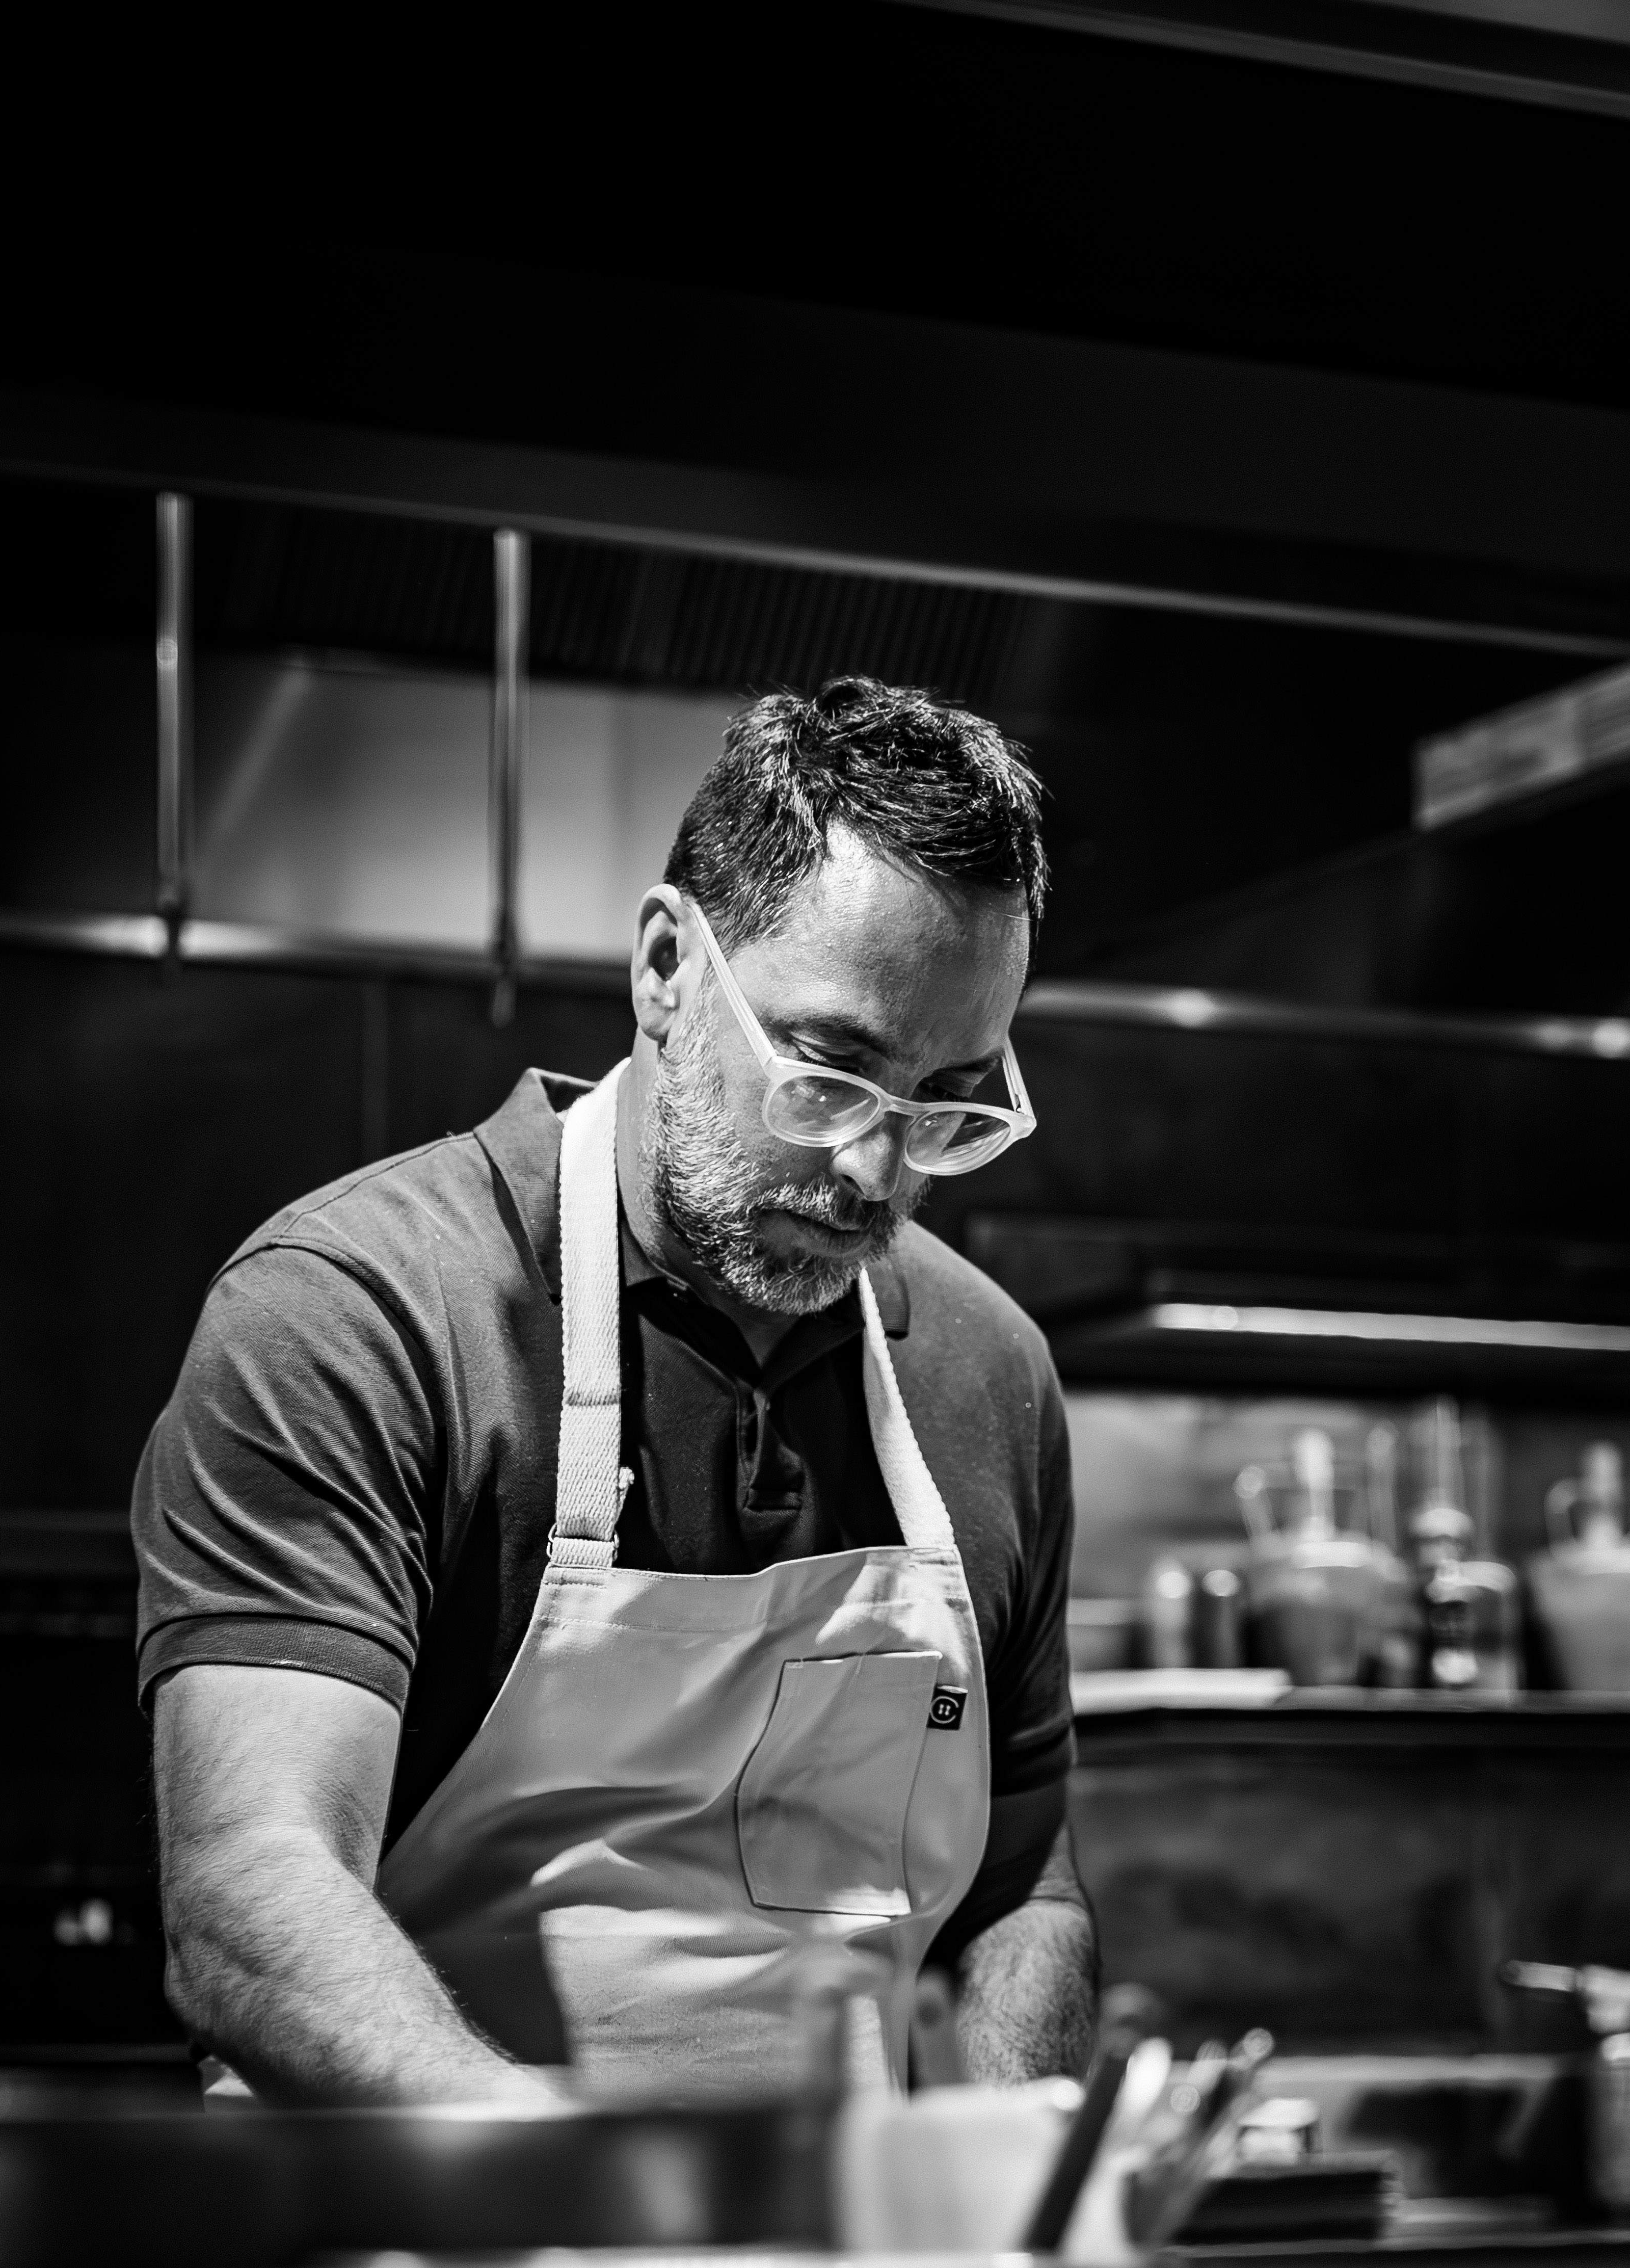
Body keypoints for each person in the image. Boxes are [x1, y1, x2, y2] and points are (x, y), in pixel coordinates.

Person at [133, 677, 1093, 2103]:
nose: (876, 1175)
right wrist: (582, 2192)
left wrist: (1009, 2159)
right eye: (827, 1076)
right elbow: (248, 1896)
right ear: (663, 969)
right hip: (412, 2260)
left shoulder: (987, 1374)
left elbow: (1023, 1893)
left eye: (945, 1106)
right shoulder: (364, 1310)